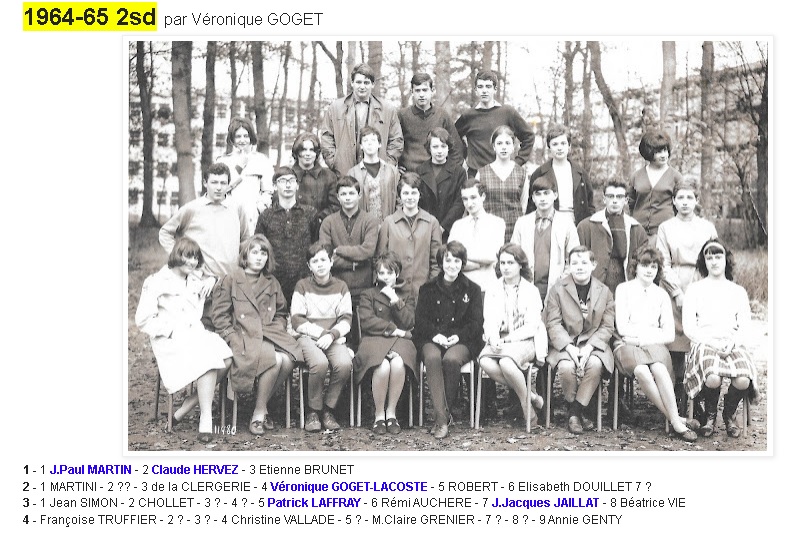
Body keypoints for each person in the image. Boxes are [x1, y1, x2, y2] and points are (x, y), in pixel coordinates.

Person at [135, 237, 232, 443]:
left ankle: (188, 404)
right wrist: (170, 331)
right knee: (208, 358)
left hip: (194, 334)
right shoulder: (157, 281)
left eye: (196, 258)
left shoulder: (195, 281)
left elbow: (215, 279)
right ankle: (206, 418)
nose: (192, 262)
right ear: (176, 255)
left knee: (227, 358)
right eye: (188, 256)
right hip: (169, 338)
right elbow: (143, 319)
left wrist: (212, 280)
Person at [211, 235, 302, 435]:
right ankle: (259, 413)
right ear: (245, 255)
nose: (259, 257)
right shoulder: (231, 279)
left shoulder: (271, 282)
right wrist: (232, 337)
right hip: (242, 336)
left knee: (289, 359)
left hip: (268, 334)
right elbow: (219, 316)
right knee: (276, 360)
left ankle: (261, 405)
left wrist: (277, 327)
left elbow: (281, 312)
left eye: (263, 253)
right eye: (254, 252)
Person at [613, 246, 699, 441]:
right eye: (645, 265)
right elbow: (623, 328)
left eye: (654, 266)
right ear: (635, 266)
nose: (649, 270)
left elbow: (668, 334)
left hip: (649, 344)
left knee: (659, 368)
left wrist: (640, 338)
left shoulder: (661, 294)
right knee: (641, 370)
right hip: (626, 346)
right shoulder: (623, 289)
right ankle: (677, 420)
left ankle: (676, 420)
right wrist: (651, 333)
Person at [683, 239, 758, 438]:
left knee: (743, 380)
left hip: (731, 342)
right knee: (713, 377)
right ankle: (710, 415)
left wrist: (732, 343)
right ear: (704, 262)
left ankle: (729, 413)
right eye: (709, 258)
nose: (714, 261)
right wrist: (712, 342)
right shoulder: (695, 289)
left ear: (726, 259)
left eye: (718, 256)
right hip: (704, 342)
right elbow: (689, 327)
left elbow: (745, 326)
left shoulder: (737, 291)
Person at [655, 176, 718, 411]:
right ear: (673, 201)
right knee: (675, 343)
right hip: (674, 285)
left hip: (701, 284)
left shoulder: (707, 227)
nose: (684, 202)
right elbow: (663, 263)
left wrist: (700, 291)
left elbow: (715, 258)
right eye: (680, 197)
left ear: (696, 200)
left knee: (699, 341)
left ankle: (698, 397)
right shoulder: (666, 227)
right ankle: (677, 396)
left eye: (689, 197)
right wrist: (677, 293)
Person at [414, 241, 484, 439]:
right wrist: (435, 334)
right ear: (441, 262)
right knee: (432, 358)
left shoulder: (473, 289)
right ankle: (443, 419)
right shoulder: (427, 288)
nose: (452, 265)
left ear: (463, 263)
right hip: (432, 337)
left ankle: (441, 417)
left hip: (461, 339)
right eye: (448, 260)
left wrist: (458, 336)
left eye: (457, 261)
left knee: (451, 360)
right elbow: (420, 320)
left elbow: (476, 323)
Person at [545, 246, 615, 434]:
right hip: (565, 343)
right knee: (566, 367)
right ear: (568, 266)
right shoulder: (557, 290)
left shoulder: (604, 291)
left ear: (593, 265)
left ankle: (574, 412)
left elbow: (607, 326)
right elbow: (553, 323)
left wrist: (589, 347)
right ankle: (578, 412)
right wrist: (569, 347)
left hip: (594, 343)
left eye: (584, 262)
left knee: (595, 364)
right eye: (574, 263)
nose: (579, 267)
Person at [478, 244, 547, 427]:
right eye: (502, 263)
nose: (506, 267)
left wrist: (507, 339)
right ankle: (531, 396)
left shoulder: (531, 290)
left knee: (506, 363)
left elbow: (532, 326)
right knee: (485, 361)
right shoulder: (493, 289)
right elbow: (489, 320)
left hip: (525, 339)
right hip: (500, 338)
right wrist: (493, 337)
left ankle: (527, 409)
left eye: (510, 263)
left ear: (520, 265)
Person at [291, 242, 354, 432]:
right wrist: (322, 334)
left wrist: (332, 335)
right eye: (314, 261)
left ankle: (328, 409)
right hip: (308, 337)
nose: (320, 264)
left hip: (332, 337)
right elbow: (297, 320)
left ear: (331, 262)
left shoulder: (341, 287)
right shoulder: (302, 286)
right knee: (319, 363)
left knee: (344, 364)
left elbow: (346, 319)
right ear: (309, 266)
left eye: (323, 260)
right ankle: (313, 410)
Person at [354, 252, 418, 435]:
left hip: (401, 342)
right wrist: (393, 329)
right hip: (374, 339)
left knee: (398, 363)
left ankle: (391, 413)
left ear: (397, 273)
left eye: (389, 273)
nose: (385, 277)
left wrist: (395, 300)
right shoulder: (368, 294)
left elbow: (409, 322)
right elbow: (367, 321)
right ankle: (379, 415)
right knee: (382, 366)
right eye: (381, 273)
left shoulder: (407, 294)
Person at [159, 162, 250, 281]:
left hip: (231, 280)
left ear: (228, 184)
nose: (218, 187)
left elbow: (245, 239)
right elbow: (165, 233)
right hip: (201, 280)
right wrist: (180, 259)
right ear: (205, 183)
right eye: (214, 182)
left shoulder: (237, 208)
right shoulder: (192, 208)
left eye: (223, 183)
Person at [320, 63, 403, 178]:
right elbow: (326, 137)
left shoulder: (387, 110)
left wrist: (387, 165)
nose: (362, 86)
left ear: (373, 84)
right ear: (352, 83)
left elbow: (396, 140)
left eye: (366, 83)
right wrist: (334, 162)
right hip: (344, 173)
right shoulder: (336, 108)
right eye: (358, 82)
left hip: (377, 174)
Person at [255, 167, 318, 304]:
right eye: (282, 181)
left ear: (297, 185)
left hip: (304, 282)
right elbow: (259, 249)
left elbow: (316, 246)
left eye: (291, 181)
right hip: (274, 283)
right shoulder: (266, 216)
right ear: (274, 186)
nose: (288, 185)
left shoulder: (310, 213)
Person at [455, 70, 535, 178]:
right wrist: (463, 157)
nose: (484, 90)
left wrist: (517, 162)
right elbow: (452, 138)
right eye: (480, 87)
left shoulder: (507, 112)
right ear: (476, 90)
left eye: (488, 86)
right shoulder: (468, 116)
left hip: (503, 174)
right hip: (475, 175)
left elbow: (529, 136)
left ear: (495, 89)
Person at [512, 174, 580, 301]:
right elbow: (514, 257)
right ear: (533, 198)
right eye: (538, 194)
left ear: (555, 195)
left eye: (546, 193)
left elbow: (574, 259)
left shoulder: (566, 223)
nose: (542, 198)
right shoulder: (522, 223)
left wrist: (560, 285)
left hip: (557, 290)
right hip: (526, 289)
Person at [377, 172, 443, 297]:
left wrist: (431, 288)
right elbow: (381, 258)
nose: (410, 197)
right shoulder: (389, 222)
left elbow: (436, 262)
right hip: (394, 292)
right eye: (406, 193)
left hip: (423, 293)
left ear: (420, 194)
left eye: (414, 193)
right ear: (399, 195)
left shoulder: (432, 222)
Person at [577, 179, 648, 294]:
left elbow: (643, 265)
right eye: (610, 196)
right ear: (604, 199)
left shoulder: (637, 229)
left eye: (619, 197)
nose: (615, 201)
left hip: (627, 289)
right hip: (595, 289)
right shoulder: (586, 227)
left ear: (626, 200)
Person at [319, 175, 380, 307]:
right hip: (336, 287)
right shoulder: (328, 222)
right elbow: (326, 257)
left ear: (359, 195)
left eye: (351, 193)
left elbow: (368, 251)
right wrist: (356, 263)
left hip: (364, 288)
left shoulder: (370, 221)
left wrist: (339, 250)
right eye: (343, 194)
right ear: (338, 197)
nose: (347, 197)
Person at [526, 124, 595, 226]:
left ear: (569, 146)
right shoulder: (539, 173)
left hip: (576, 223)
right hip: (549, 223)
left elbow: (590, 205)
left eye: (563, 143)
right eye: (555, 144)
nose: (559, 148)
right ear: (549, 147)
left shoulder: (581, 173)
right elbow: (532, 206)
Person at [216, 117, 275, 232]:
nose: (242, 140)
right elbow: (221, 188)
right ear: (232, 138)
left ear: (251, 137)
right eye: (238, 136)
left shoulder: (262, 160)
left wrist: (260, 207)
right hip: (229, 214)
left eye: (246, 136)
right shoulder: (223, 161)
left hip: (254, 216)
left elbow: (268, 190)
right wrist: (239, 167)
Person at [397, 72, 463, 174]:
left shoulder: (442, 115)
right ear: (412, 92)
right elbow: (392, 144)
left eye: (425, 90)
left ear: (432, 90)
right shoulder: (402, 115)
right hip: (410, 174)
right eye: (417, 90)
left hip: (436, 173)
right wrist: (395, 166)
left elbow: (456, 148)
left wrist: (449, 172)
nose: (421, 94)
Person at [448, 178, 506, 293]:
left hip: (487, 288)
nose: (469, 203)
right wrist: (479, 264)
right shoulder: (458, 225)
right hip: (461, 288)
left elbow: (492, 256)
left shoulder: (496, 223)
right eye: (465, 199)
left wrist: (463, 256)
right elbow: (451, 258)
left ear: (483, 196)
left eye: (473, 197)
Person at [476, 125, 531, 242]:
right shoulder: (481, 173)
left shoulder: (521, 173)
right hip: (489, 230)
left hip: (514, 231)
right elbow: (477, 204)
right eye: (499, 143)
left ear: (513, 147)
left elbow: (523, 205)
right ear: (494, 147)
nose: (504, 147)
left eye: (508, 143)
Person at [628, 130, 683, 243]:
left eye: (665, 150)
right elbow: (631, 204)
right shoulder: (636, 176)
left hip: (665, 233)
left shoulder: (676, 177)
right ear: (649, 152)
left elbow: (681, 205)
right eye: (658, 152)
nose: (663, 155)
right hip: (638, 233)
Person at [416, 127, 467, 242]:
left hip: (449, 231)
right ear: (429, 148)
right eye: (435, 147)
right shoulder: (420, 171)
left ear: (448, 148)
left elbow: (459, 203)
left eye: (443, 146)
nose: (439, 151)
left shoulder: (458, 172)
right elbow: (418, 202)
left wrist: (442, 227)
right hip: (425, 230)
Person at [346, 126, 400, 223]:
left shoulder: (391, 171)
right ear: (361, 146)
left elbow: (399, 201)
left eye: (373, 140)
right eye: (365, 141)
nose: (369, 143)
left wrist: (395, 224)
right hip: (363, 226)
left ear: (379, 144)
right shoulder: (353, 173)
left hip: (388, 225)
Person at [290, 132, 340, 230]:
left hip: (320, 228)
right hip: (293, 228)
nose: (308, 154)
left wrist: (318, 219)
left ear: (316, 153)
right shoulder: (288, 175)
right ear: (297, 152)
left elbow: (335, 206)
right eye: (304, 149)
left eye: (312, 150)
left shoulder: (328, 176)